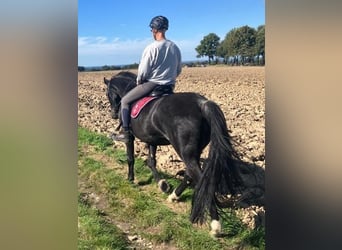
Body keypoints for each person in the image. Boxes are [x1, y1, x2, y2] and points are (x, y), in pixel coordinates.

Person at [113, 15, 182, 143]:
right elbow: (178, 70)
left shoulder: (152, 48)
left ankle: (126, 133)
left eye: (151, 30)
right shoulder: (175, 47)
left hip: (152, 85)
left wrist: (140, 81)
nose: (151, 32)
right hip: (169, 86)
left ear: (155, 30)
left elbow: (143, 71)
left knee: (125, 101)